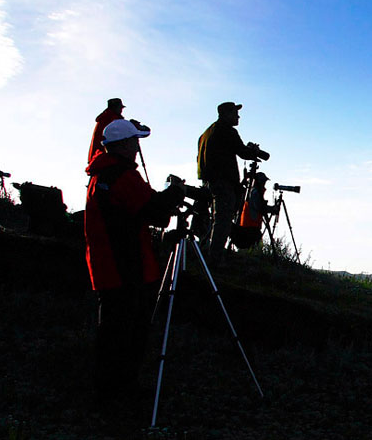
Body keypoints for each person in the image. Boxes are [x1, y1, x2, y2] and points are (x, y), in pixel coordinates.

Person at [84, 119, 185, 408]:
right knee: (127, 332)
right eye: (136, 141)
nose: (138, 147)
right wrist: (174, 194)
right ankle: (119, 394)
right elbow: (152, 212)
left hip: (109, 266)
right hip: (125, 267)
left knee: (113, 331)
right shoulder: (121, 176)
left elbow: (138, 209)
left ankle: (109, 390)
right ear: (126, 144)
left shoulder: (101, 174)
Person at [196, 101, 269, 265]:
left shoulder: (207, 133)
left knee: (217, 217)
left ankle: (206, 250)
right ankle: (214, 259)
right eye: (235, 113)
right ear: (226, 114)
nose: (238, 116)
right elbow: (242, 152)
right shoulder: (227, 131)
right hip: (223, 182)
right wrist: (254, 152)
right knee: (223, 219)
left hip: (208, 181)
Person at [231, 171, 278, 250]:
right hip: (250, 229)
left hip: (250, 228)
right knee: (255, 248)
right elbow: (260, 207)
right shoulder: (255, 193)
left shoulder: (253, 192)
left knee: (254, 247)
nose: (264, 184)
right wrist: (272, 209)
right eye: (263, 181)